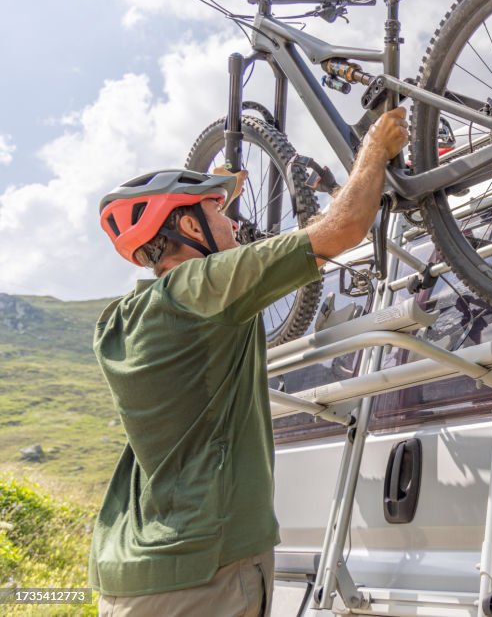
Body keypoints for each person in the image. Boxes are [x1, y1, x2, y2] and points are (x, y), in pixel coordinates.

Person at [89, 108, 408, 616]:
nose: (235, 223)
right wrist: (375, 148)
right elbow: (344, 228)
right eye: (220, 212)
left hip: (132, 569)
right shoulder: (203, 287)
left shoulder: (120, 320)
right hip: (204, 572)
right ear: (190, 225)